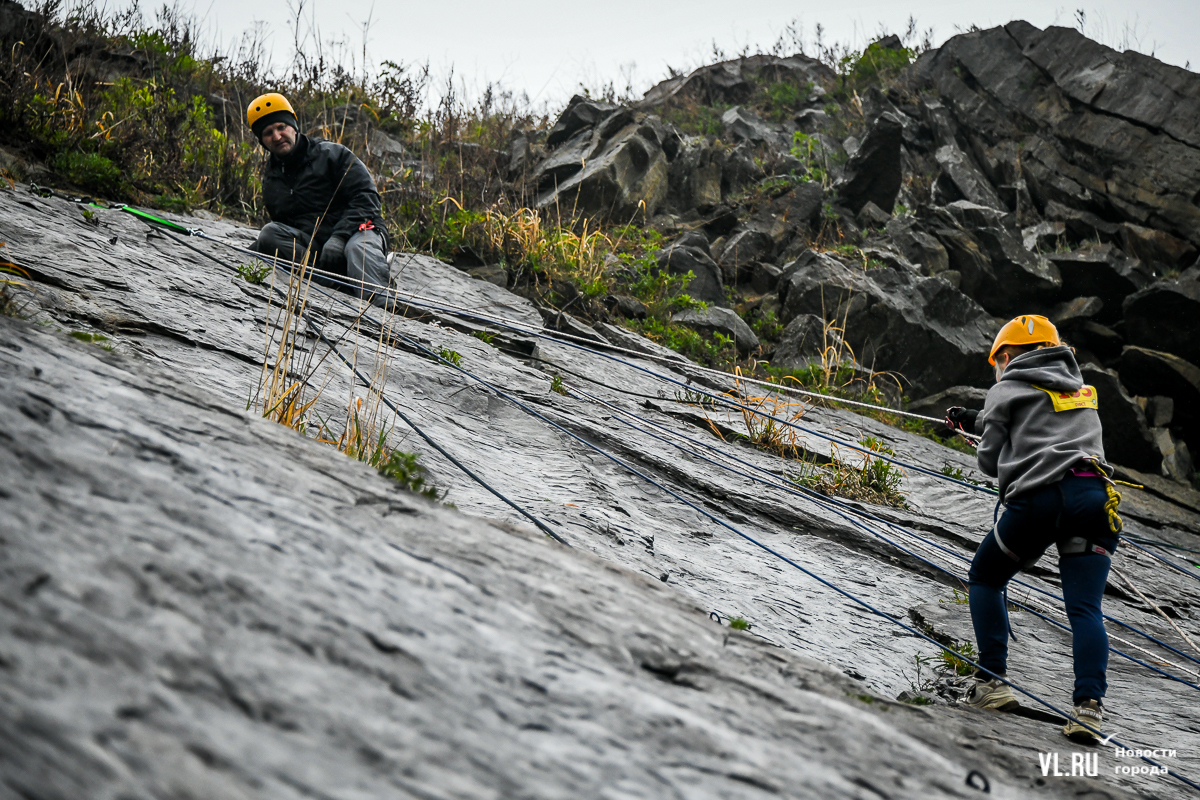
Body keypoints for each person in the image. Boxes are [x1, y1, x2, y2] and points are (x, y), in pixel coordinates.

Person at [945, 314, 1122, 744]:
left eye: (997, 364)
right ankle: (1088, 710)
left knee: (986, 577)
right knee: (1085, 609)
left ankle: (992, 683)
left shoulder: (1005, 388)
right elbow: (1042, 421)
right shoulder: (1084, 391)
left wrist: (983, 427)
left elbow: (989, 461)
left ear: (1005, 357)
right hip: (1095, 497)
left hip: (1041, 500)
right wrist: (980, 419)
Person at [245, 92, 391, 305]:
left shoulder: (333, 154)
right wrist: (249, 252)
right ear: (262, 141)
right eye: (268, 133)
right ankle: (335, 286)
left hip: (358, 231)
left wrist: (339, 237)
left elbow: (367, 197)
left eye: (281, 127)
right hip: (318, 250)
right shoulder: (271, 180)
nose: (276, 136)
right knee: (269, 234)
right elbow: (285, 227)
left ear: (294, 125)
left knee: (357, 249)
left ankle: (381, 307)